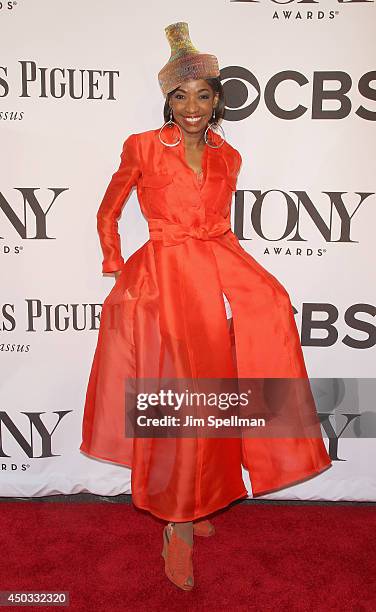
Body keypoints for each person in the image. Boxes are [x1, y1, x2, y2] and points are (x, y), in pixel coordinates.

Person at [80, 22, 332, 591]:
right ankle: (177, 523)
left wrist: (254, 287)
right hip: (162, 285)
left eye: (203, 95)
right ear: (166, 100)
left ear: (218, 99)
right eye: (179, 95)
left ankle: (198, 501)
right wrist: (118, 265)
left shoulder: (229, 156)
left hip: (209, 278)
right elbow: (108, 210)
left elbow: (222, 233)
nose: (191, 107)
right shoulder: (142, 146)